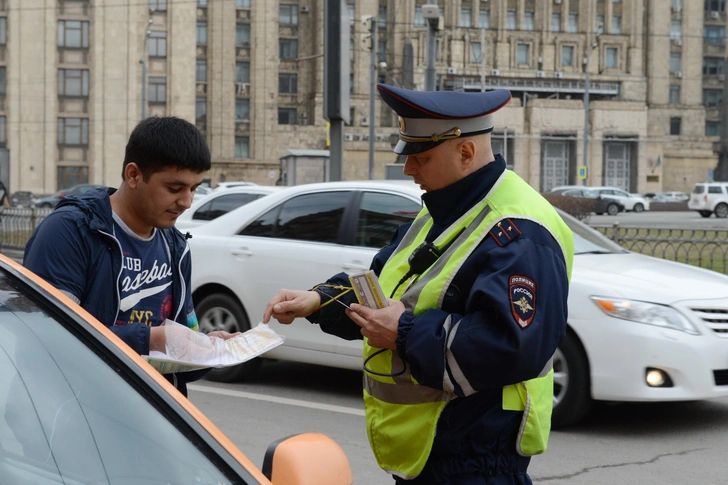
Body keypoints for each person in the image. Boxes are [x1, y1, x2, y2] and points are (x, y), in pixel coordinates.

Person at [263, 84, 574, 484]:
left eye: (420, 158)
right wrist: (319, 300)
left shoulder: (519, 229)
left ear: (465, 153)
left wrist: (404, 333)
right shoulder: (444, 209)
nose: (409, 170)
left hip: (476, 460)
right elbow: (384, 285)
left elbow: (513, 345)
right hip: (433, 455)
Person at [23, 116, 238, 397]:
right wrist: (150, 340)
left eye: (193, 188)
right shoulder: (70, 231)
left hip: (150, 414)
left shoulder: (175, 245)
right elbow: (50, 335)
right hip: (73, 415)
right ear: (133, 175)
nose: (186, 202)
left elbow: (179, 353)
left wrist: (210, 350)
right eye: (174, 189)